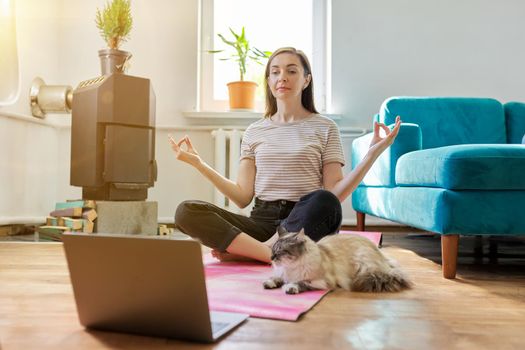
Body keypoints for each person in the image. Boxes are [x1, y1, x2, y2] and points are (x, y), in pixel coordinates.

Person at [169, 47, 401, 263]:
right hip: (262, 222)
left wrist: (372, 154)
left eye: (292, 71)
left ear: (306, 80)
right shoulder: (254, 131)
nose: (283, 77)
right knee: (186, 211)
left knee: (325, 200)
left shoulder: (325, 127)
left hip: (304, 220)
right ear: (269, 81)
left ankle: (254, 252)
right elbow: (242, 197)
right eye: (275, 72)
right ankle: (271, 253)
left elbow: (335, 193)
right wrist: (199, 164)